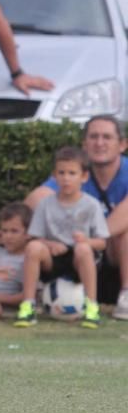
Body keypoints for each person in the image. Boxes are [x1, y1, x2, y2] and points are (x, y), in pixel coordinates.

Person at [25, 115, 128, 320]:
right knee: (33, 242)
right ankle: (29, 298)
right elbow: (34, 200)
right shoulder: (74, 172)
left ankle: (126, 296)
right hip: (77, 252)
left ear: (122, 144)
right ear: (84, 144)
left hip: (112, 251)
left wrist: (95, 236)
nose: (100, 143)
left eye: (107, 137)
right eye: (93, 137)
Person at [15, 146, 109, 329]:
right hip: (54, 257)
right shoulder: (45, 204)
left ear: (84, 177)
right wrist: (49, 244)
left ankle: (92, 306)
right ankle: (28, 305)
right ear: (54, 176)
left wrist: (86, 241)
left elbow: (102, 243)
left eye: (72, 173)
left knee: (83, 249)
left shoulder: (91, 205)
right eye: (62, 173)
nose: (66, 178)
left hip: (80, 259)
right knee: (33, 248)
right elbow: (33, 237)